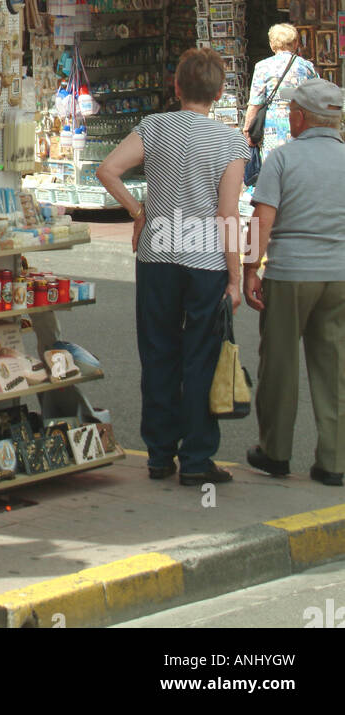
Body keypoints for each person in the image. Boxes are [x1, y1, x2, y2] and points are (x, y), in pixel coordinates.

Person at [97, 49, 249, 487]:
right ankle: (197, 458)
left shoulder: (155, 127)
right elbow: (227, 215)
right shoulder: (230, 142)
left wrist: (137, 211)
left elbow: (108, 171)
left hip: (157, 255)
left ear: (177, 87)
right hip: (204, 261)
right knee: (201, 356)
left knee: (158, 351)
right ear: (219, 92)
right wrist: (235, 277)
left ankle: (159, 453)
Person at [244, 77, 345, 486]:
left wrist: (251, 269)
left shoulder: (282, 159)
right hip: (339, 275)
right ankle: (334, 462)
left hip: (290, 273)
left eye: (291, 112)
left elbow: (263, 219)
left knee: (280, 365)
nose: (289, 117)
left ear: (301, 118)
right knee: (334, 367)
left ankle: (276, 452)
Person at [243, 24, 317, 156]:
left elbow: (255, 103)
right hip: (301, 126)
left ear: (272, 45)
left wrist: (247, 130)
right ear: (295, 44)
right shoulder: (307, 67)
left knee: (274, 169)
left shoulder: (263, 67)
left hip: (273, 129)